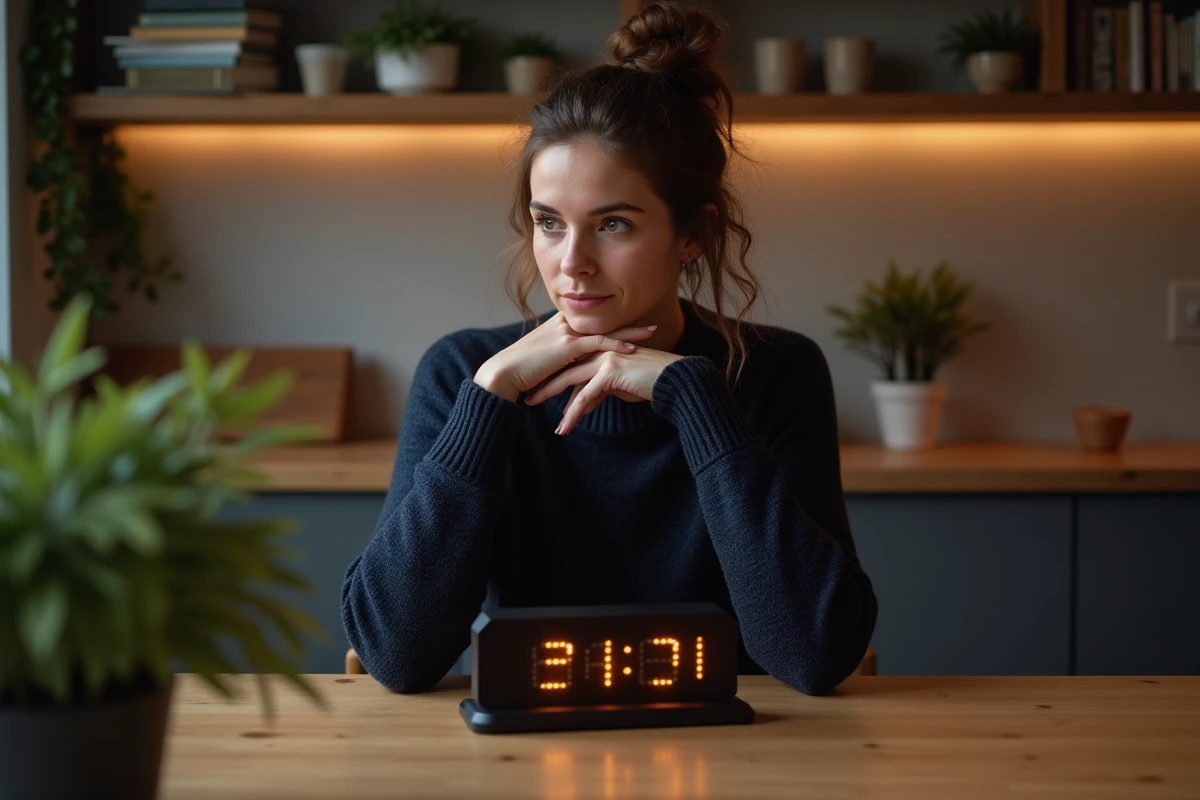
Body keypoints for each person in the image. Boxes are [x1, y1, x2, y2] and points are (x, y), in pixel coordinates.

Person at [341, 1, 877, 697]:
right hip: (522, 746)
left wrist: (696, 401)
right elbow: (396, 653)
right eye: (549, 223)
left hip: (741, 746)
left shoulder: (775, 372)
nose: (572, 263)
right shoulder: (464, 374)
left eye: (613, 224)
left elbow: (813, 654)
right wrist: (488, 401)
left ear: (693, 234)